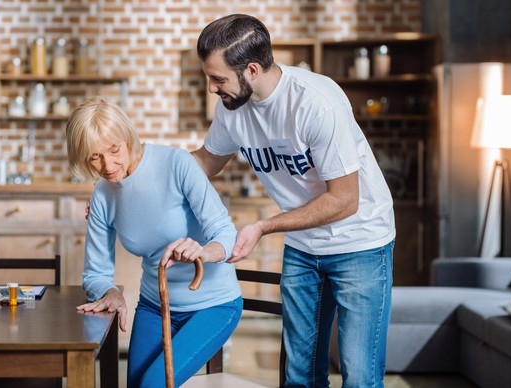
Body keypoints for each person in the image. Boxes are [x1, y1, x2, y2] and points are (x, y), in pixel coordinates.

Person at [193, 14, 396, 387]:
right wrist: (134, 178)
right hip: (304, 246)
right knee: (300, 376)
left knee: (359, 378)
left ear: (251, 70)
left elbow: (344, 200)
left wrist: (263, 226)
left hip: (361, 242)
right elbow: (206, 162)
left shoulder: (315, 103)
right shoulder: (232, 109)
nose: (211, 89)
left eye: (218, 78)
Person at [66, 96, 243, 387]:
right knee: (136, 385)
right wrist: (109, 292)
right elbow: (95, 273)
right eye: (94, 157)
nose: (108, 165)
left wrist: (202, 251)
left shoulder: (177, 164)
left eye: (114, 150)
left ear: (128, 137)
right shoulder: (102, 195)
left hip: (214, 305)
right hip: (154, 304)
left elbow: (225, 232)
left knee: (152, 384)